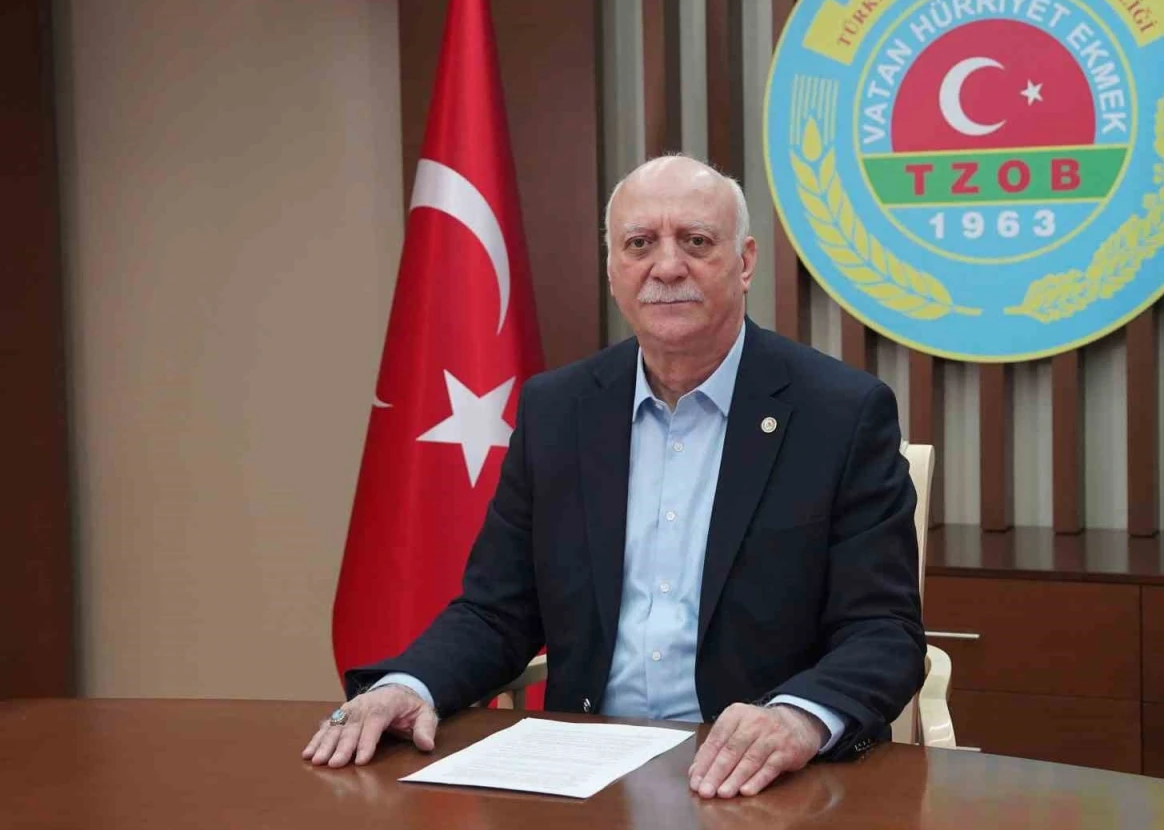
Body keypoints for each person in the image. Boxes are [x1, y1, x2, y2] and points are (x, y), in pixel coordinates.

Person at [302, 155, 925, 799]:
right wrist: (408, 685)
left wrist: (796, 718)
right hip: (583, 772)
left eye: (696, 241)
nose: (667, 266)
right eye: (639, 244)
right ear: (612, 269)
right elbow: (497, 610)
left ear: (744, 263)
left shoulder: (840, 414)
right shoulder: (558, 410)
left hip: (756, 780)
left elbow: (883, 630)